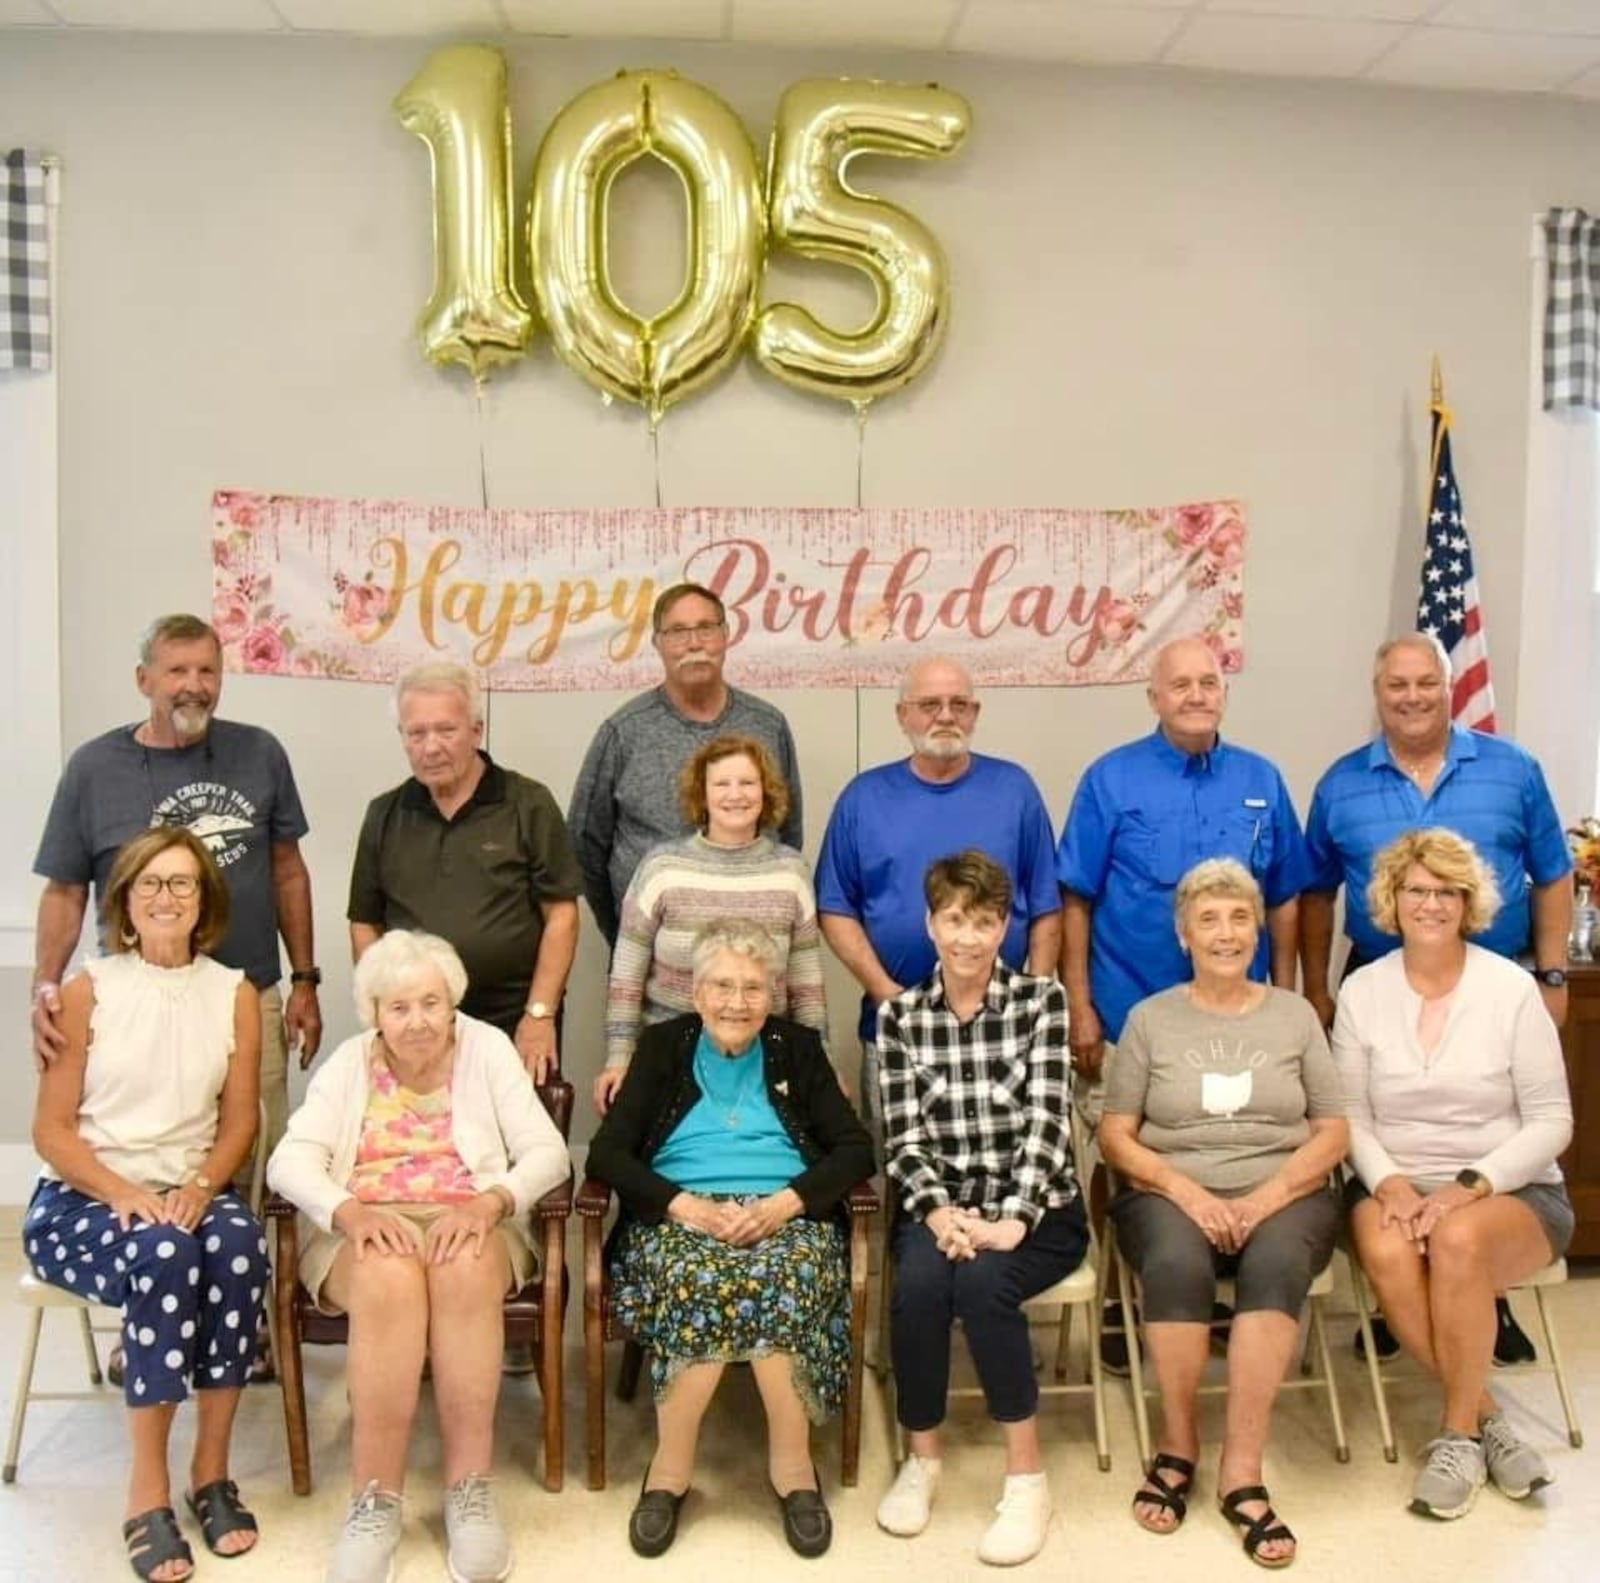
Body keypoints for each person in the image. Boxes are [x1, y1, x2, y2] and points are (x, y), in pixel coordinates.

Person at [1301, 633, 1572, 1366]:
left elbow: (1553, 873)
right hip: (1377, 976)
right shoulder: (1341, 782)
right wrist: (1317, 990)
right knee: (1398, 1117)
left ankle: (1483, 1288)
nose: (1412, 696)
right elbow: (1314, 890)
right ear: (1378, 691)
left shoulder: (1513, 769)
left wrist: (1550, 974)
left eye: (1427, 682)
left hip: (1497, 969)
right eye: (1397, 685)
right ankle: (1406, 1302)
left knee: (1482, 1115)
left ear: (1449, 687)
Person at [268, 929, 571, 1583]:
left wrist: (492, 1202)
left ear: (453, 1001)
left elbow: (548, 1152)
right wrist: (348, 1212)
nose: (418, 1020)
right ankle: (374, 1497)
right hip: (364, 1225)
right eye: (399, 1006)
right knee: (389, 1280)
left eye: (432, 1003)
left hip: (470, 1217)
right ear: (374, 1011)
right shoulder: (349, 1063)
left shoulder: (486, 1048)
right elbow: (288, 1160)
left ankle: (469, 1490)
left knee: (461, 1270)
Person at [586, 922, 873, 1560]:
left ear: (772, 993)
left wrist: (784, 1205)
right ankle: (669, 1474)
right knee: (700, 1279)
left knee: (785, 1277)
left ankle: (795, 1473)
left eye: (751, 987)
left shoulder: (797, 1048)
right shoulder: (662, 1048)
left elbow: (856, 1149)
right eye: (722, 985)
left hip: (785, 1216)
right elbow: (607, 1156)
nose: (736, 1002)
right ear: (695, 991)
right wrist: (684, 1206)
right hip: (680, 1219)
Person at [26, 827, 267, 1583]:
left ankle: (211, 1472)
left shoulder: (234, 993)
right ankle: (145, 1493)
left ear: (205, 901)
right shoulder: (88, 989)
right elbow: (51, 1130)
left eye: (183, 884)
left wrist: (199, 1187)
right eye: (151, 884)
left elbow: (240, 1123)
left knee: (239, 1245)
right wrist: (128, 1193)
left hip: (185, 1191)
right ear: (125, 901)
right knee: (165, 1253)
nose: (167, 897)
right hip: (83, 1199)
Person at [1098, 858, 1349, 1569]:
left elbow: (1333, 1129)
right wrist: (1189, 1193)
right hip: (1171, 1190)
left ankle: (1243, 1468)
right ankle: (1179, 1444)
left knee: (1274, 1264)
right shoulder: (1150, 1018)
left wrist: (1269, 1197)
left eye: (1240, 916)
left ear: (1259, 929)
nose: (1226, 931)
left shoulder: (1295, 1014)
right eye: (1208, 918)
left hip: (1286, 1192)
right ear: (1183, 934)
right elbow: (1115, 1131)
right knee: (1177, 1263)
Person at [1332, 829, 1574, 1521]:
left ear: (1468, 903)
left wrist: (1467, 1187)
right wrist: (1391, 1184)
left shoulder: (1511, 989)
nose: (1430, 903)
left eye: (1447, 891)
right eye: (1417, 889)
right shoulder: (1363, 990)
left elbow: (1552, 1121)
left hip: (1511, 1189)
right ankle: (1489, 1420)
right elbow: (1350, 1116)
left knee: (1458, 1241)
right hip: (1393, 1183)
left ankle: (1458, 1433)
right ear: (1392, 899)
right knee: (1386, 1246)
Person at [31, 613, 322, 1161]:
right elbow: (64, 891)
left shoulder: (261, 753)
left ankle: (244, 1248)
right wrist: (44, 985)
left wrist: (304, 980)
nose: (194, 685)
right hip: (131, 1006)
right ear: (145, 680)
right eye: (177, 670)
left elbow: (288, 871)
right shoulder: (93, 768)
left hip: (246, 995)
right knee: (138, 1153)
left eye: (207, 670)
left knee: (256, 1155)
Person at [874, 852, 1087, 1568]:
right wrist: (938, 1216)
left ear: (1005, 928)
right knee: (922, 1286)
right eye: (954, 919)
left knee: (983, 1284)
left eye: (985, 921)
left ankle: (1026, 1477)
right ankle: (922, 1457)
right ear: (931, 923)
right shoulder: (900, 1016)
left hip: (1039, 1208)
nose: (968, 937)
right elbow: (903, 1138)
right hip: (944, 1207)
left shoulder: (1041, 1002)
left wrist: (1011, 1221)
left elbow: (1048, 1122)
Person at [816, 655, 1061, 1128]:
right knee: (904, 1168)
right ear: (902, 714)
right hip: (900, 1024)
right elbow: (835, 907)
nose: (945, 715)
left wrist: (1035, 997)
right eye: (929, 704)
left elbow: (1046, 901)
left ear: (975, 712)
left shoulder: (1015, 789)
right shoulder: (863, 798)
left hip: (1004, 1028)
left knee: (1006, 1165)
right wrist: (887, 995)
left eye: (959, 704)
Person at [1056, 635, 1311, 1086]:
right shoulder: (1110, 779)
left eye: (1208, 683)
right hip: (1128, 1020)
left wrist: (1286, 1002)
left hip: (1242, 1024)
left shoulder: (1262, 778)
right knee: (1129, 1152)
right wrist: (1079, 1007)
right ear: (1154, 698)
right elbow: (1075, 898)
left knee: (1233, 1148)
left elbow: (1284, 897)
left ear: (1225, 694)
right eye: (1180, 685)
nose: (1196, 696)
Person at [348, 661, 583, 1084]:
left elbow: (562, 917)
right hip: (418, 1025)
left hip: (514, 1018)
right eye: (416, 733)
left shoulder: (528, 803)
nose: (430, 747)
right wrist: (382, 1015)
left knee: (522, 1145)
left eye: (446, 730)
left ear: (476, 730)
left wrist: (540, 1014)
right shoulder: (383, 814)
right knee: (423, 1145)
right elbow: (365, 922)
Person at [595, 733, 826, 1115]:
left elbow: (807, 986)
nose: (735, 795)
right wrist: (620, 1057)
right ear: (702, 795)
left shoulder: (791, 872)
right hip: (670, 1054)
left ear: (766, 792)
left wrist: (823, 1065)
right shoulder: (661, 868)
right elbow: (626, 976)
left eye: (748, 783)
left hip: (766, 1057)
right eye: (722, 783)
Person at [568, 582, 803, 949]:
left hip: (754, 960)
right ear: (657, 643)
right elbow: (585, 846)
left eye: (706, 628)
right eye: (678, 631)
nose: (694, 643)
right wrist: (626, 932)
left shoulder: (768, 725)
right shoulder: (623, 732)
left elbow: (788, 830)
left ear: (725, 635)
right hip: (651, 960)